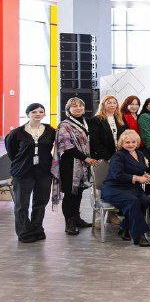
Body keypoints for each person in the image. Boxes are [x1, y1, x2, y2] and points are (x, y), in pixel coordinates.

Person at [5, 103, 57, 243]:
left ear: (44, 114)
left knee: (41, 202)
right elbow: (12, 153)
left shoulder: (50, 131)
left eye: (41, 111)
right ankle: (24, 232)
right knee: (22, 204)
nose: (38, 114)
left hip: (44, 172)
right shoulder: (17, 133)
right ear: (28, 114)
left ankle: (37, 229)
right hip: (23, 172)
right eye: (34, 112)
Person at [55, 97, 98, 235]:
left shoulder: (86, 122)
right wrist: (86, 158)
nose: (78, 108)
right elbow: (66, 146)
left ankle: (77, 219)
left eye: (81, 105)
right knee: (70, 193)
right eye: (74, 106)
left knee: (79, 192)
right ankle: (69, 223)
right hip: (70, 163)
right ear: (68, 109)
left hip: (84, 164)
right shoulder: (64, 125)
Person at [102, 129, 150, 246]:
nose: (131, 145)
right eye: (127, 142)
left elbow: (140, 170)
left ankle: (125, 227)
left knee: (145, 200)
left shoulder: (139, 154)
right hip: (114, 188)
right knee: (133, 201)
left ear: (137, 142)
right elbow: (117, 175)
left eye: (133, 142)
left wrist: (144, 176)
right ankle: (140, 235)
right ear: (122, 143)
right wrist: (138, 178)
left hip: (131, 188)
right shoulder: (118, 156)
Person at [89, 95, 126, 161]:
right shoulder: (96, 120)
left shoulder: (120, 118)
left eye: (114, 103)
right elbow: (95, 141)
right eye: (109, 103)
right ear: (103, 105)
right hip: (105, 156)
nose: (112, 105)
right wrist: (108, 157)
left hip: (120, 154)